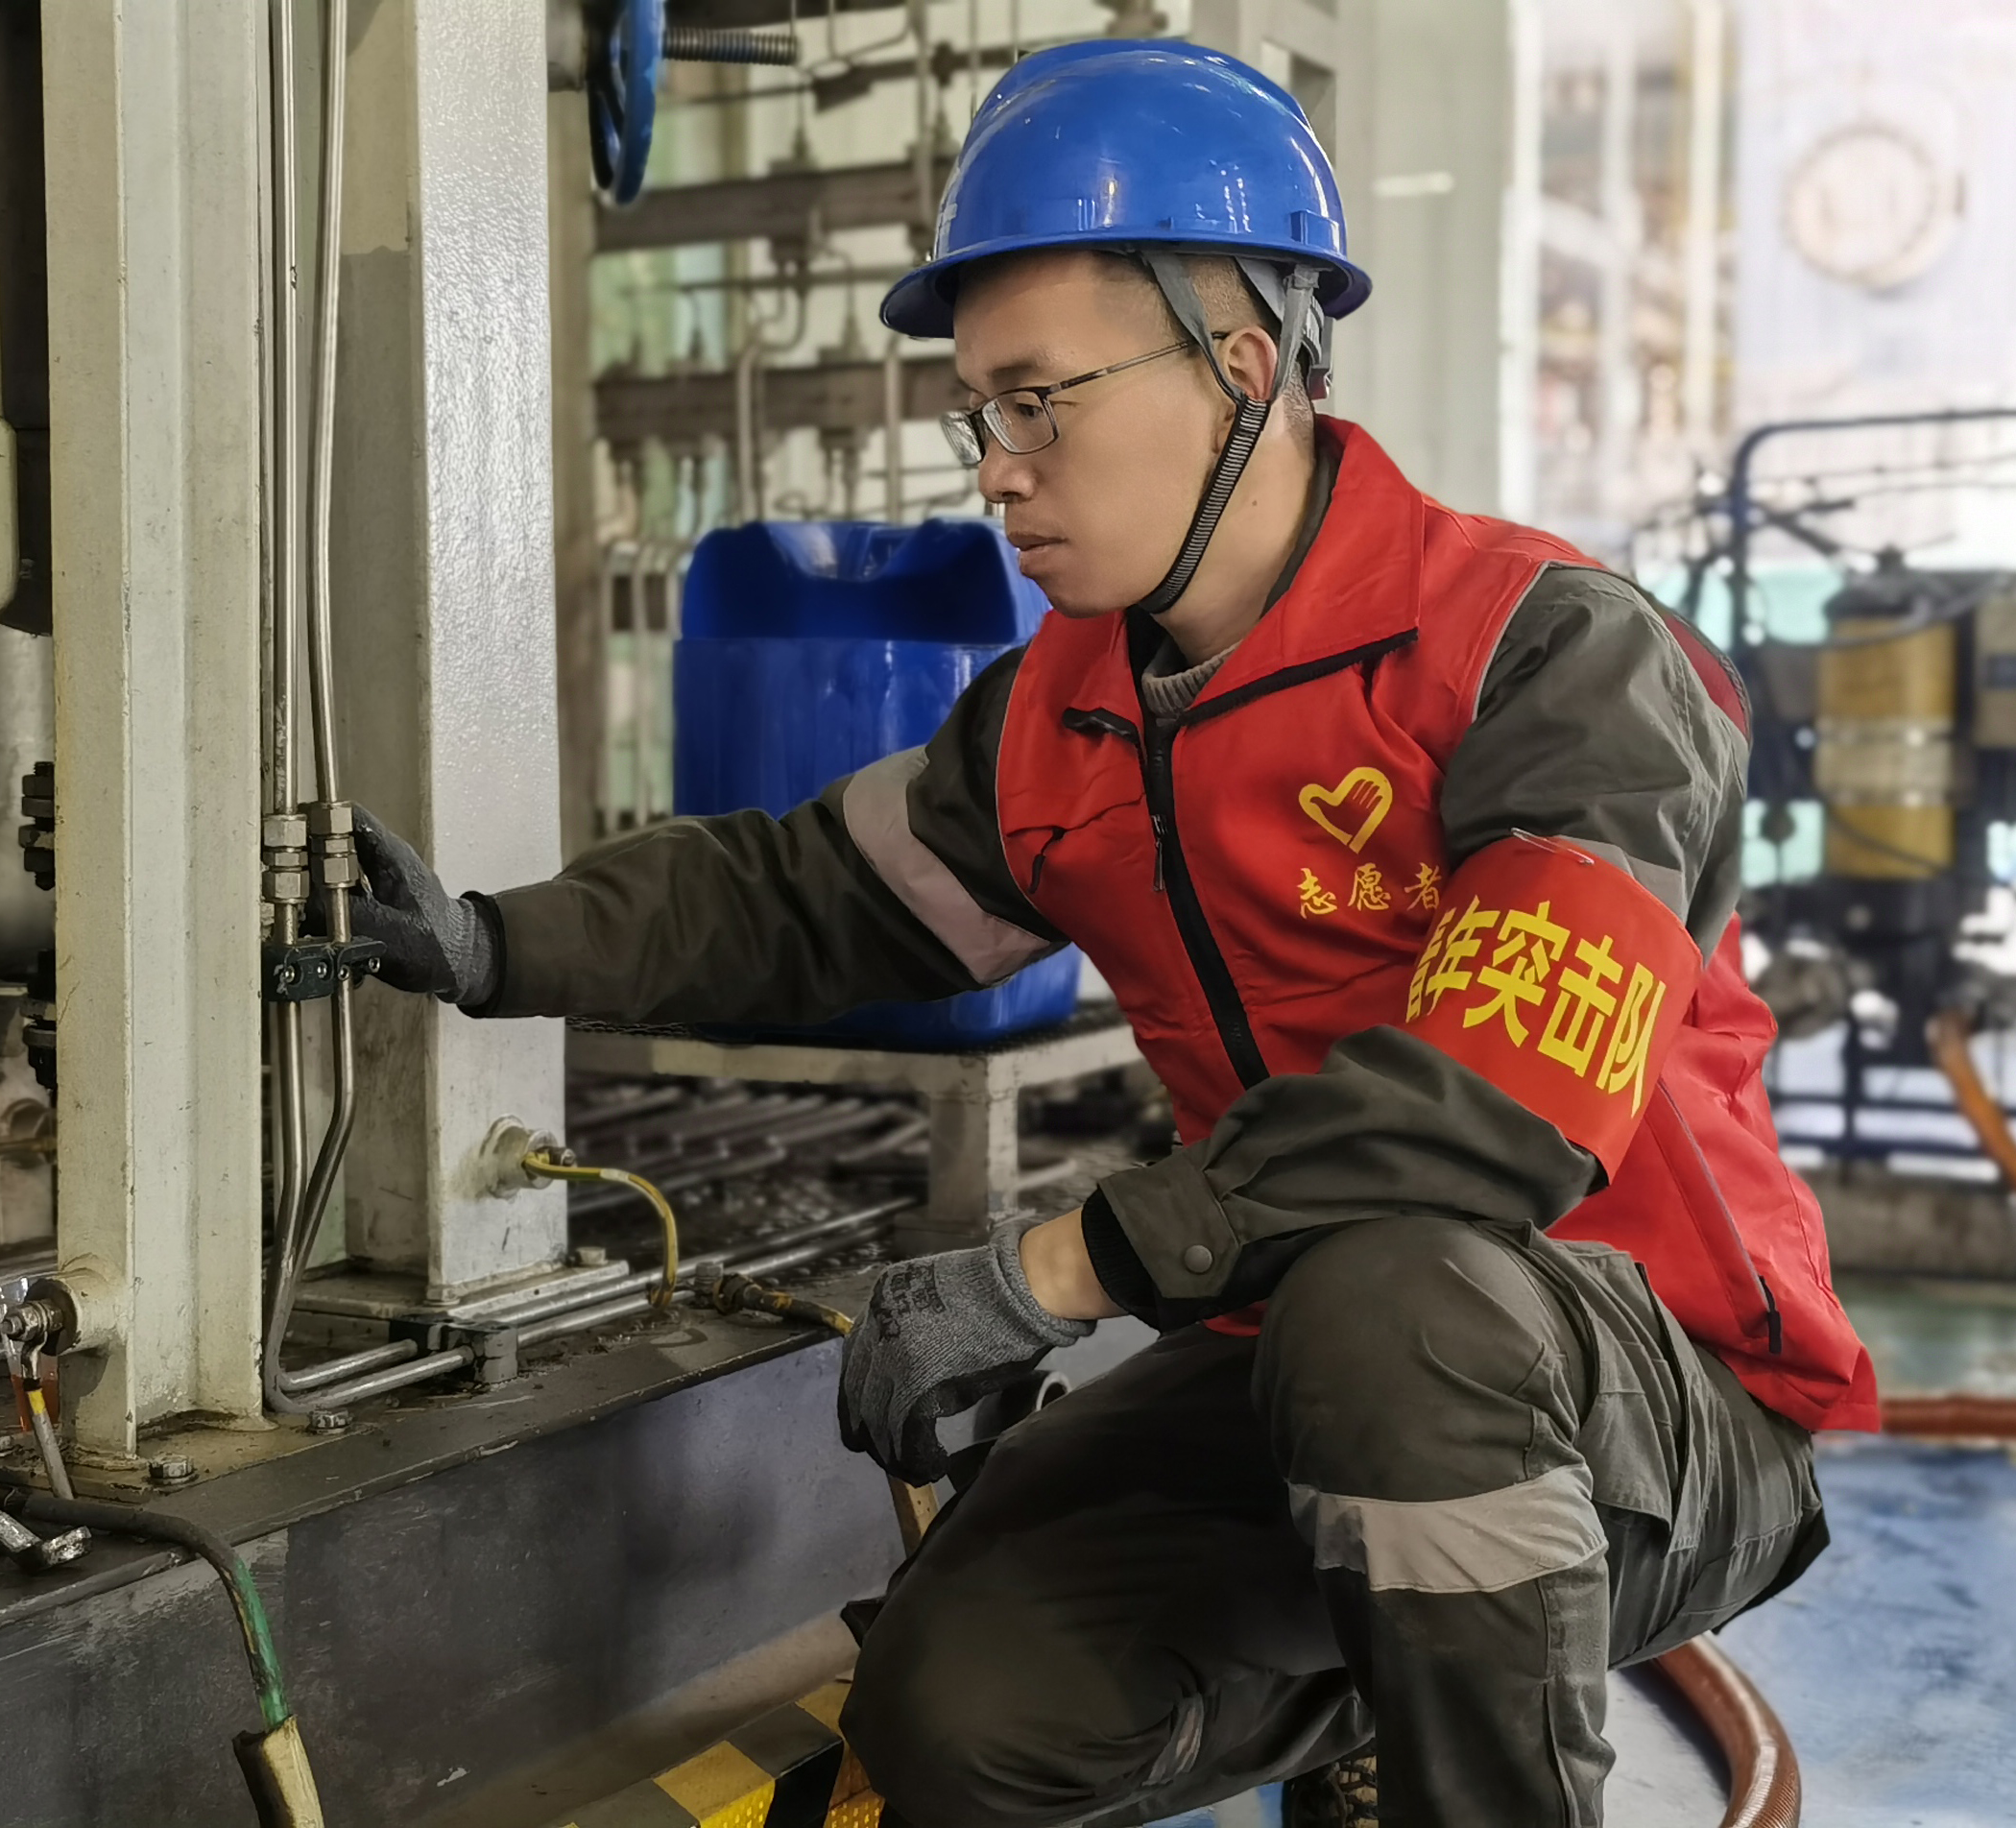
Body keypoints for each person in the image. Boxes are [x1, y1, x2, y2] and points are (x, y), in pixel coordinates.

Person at [342, 41, 1874, 1828]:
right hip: (1296, 1355)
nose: (995, 473)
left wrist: (1048, 1276)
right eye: (976, 415)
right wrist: (492, 943)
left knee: (1395, 1308)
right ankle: (1379, 1674)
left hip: (1655, 1386)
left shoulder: (1543, 654)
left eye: (1036, 404)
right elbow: (802, 894)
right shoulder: (1058, 716)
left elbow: (1490, 1112)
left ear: (1240, 370)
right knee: (964, 1709)